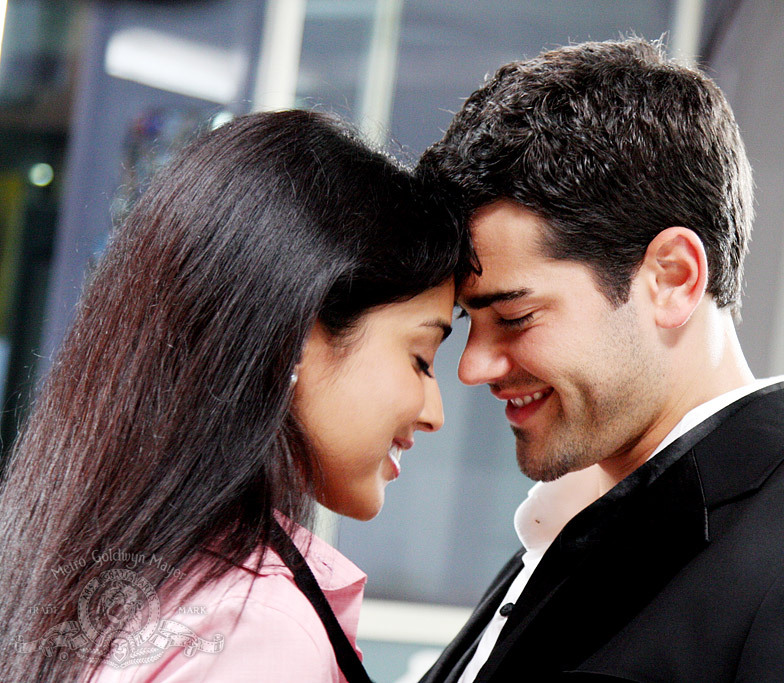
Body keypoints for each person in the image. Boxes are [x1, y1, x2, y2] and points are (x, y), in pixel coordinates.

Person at [416, 38, 784, 682]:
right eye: (471, 323)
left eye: (514, 317)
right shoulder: (568, 522)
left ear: (673, 278)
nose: (472, 367)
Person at [0, 110, 472, 682]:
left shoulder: (87, 567)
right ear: (297, 336)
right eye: (421, 359)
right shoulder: (258, 632)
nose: (435, 413)